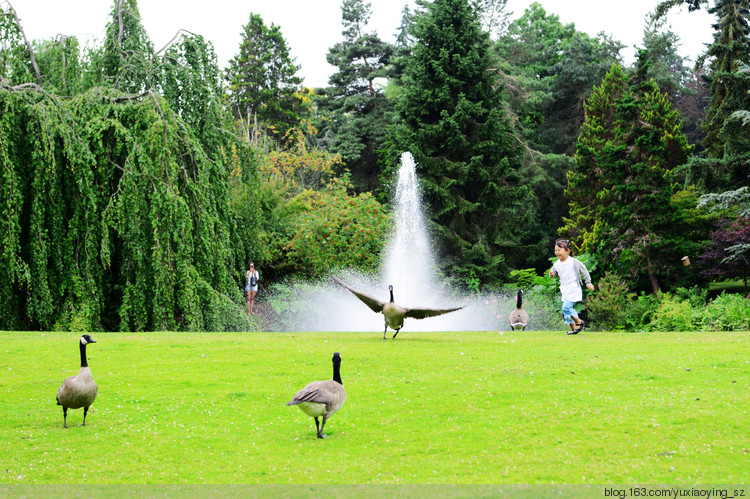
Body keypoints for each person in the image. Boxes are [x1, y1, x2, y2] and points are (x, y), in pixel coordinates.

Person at [549, 239, 595, 335]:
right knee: (566, 310)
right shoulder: (556, 264)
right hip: (564, 289)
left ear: (567, 251)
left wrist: (588, 283)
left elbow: (584, 271)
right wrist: (552, 274)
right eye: (555, 250)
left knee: (566, 307)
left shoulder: (573, 262)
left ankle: (579, 322)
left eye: (559, 250)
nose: (557, 252)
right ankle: (573, 329)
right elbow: (553, 273)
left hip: (573, 288)